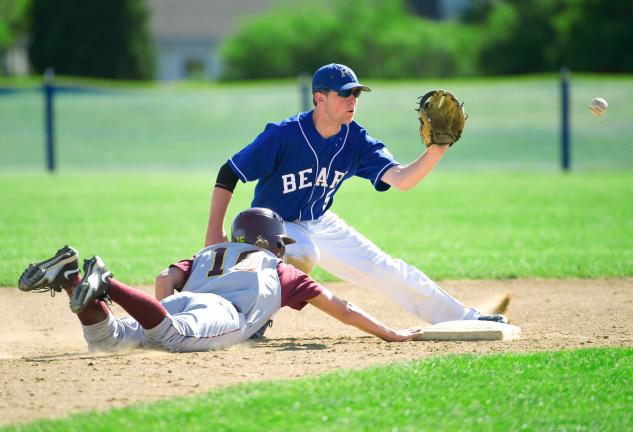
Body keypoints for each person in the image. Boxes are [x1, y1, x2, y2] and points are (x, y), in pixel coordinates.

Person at [201, 63, 509, 325]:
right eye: (345, 93)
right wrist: (214, 228)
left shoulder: (357, 140)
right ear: (319, 99)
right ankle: (250, 316)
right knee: (305, 250)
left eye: (356, 93)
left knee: (385, 269)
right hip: (271, 228)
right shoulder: (283, 135)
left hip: (320, 220)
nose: (353, 99)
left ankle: (464, 317)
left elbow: (402, 179)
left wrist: (437, 149)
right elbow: (229, 172)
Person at [17, 208, 426, 353]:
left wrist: (160, 313)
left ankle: (72, 278)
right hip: (220, 313)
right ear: (270, 241)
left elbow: (165, 277)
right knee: (169, 338)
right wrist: (392, 335)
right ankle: (105, 283)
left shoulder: (210, 252)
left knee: (107, 341)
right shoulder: (281, 269)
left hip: (179, 302)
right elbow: (345, 310)